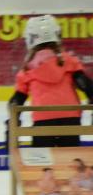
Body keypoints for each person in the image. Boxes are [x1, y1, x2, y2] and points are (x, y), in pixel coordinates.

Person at [9, 14, 93, 148]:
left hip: (42, 120)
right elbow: (87, 87)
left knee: (42, 163)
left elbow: (16, 101)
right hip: (70, 119)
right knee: (70, 160)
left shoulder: (27, 69)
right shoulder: (68, 61)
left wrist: (11, 126)